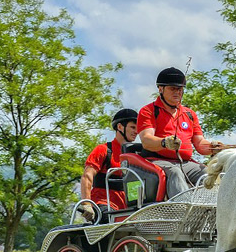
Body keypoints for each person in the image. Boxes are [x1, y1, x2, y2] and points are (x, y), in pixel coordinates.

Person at [137, 67, 221, 198]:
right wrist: (165, 143)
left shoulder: (189, 114)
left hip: (185, 162)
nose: (177, 92)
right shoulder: (148, 111)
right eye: (172, 89)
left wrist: (213, 147)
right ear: (161, 89)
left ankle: (211, 207)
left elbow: (199, 143)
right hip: (157, 160)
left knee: (207, 172)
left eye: (180, 89)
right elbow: (146, 140)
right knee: (175, 171)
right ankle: (183, 208)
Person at [80, 108, 139, 222]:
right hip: (103, 205)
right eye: (132, 127)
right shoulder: (103, 150)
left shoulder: (136, 156)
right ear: (120, 127)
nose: (136, 131)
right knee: (108, 220)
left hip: (127, 209)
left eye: (137, 128)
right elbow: (87, 176)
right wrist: (87, 204)